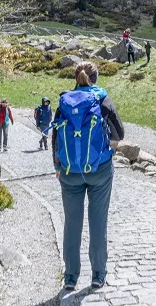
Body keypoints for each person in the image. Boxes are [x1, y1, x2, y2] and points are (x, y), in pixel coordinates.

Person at [50, 62, 125, 292]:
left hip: (70, 171)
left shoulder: (65, 101)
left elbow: (56, 137)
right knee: (98, 221)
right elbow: (119, 133)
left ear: (76, 78)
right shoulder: (102, 99)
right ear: (96, 77)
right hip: (99, 170)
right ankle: (98, 275)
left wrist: (58, 166)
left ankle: (71, 277)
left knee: (72, 223)